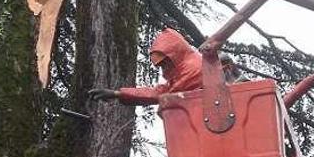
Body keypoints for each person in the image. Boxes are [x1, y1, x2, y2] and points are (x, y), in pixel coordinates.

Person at [88, 28, 246, 104]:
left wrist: (118, 94)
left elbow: (162, 93)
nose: (164, 69)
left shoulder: (192, 69)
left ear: (175, 55)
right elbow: (162, 91)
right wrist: (119, 93)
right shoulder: (188, 66)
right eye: (161, 66)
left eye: (165, 64)